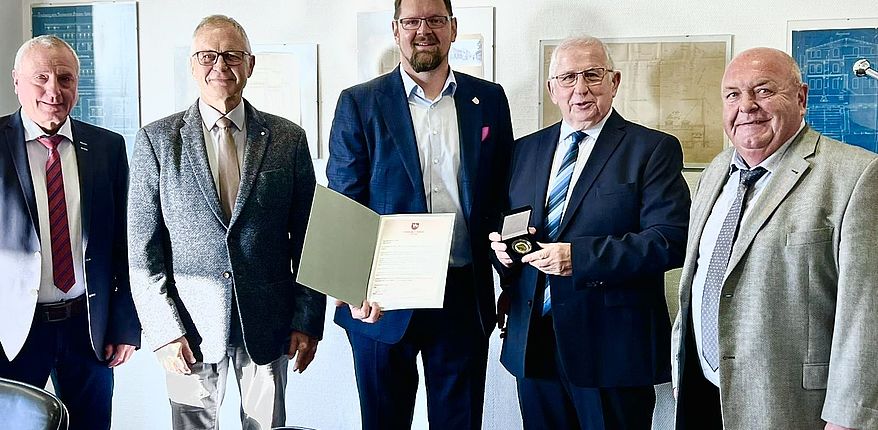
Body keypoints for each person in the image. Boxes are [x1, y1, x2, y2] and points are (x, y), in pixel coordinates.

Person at [128, 15, 325, 430]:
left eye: (232, 55)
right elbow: (142, 251)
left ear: (250, 65)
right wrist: (164, 331)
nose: (220, 65)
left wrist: (308, 320)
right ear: (192, 65)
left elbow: (310, 240)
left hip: (268, 325)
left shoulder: (288, 139)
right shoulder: (156, 141)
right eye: (207, 55)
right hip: (188, 330)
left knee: (267, 426)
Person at [326, 0, 514, 428]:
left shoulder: (488, 99)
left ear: (452, 28)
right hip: (381, 301)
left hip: (463, 295)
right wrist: (350, 287)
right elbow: (345, 200)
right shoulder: (360, 103)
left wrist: (512, 281)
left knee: (460, 422)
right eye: (411, 21)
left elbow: (503, 195)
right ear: (396, 30)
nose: (422, 30)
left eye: (434, 20)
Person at [489, 36, 690, 429]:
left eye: (592, 75)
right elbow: (510, 225)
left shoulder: (652, 149)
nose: (580, 89)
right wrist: (503, 255)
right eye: (567, 78)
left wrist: (578, 258)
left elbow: (671, 240)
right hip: (534, 344)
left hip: (611, 350)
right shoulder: (522, 151)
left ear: (614, 81)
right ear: (552, 90)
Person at [671, 47, 878, 430]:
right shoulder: (715, 171)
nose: (746, 106)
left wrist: (849, 417)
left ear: (800, 98)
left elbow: (867, 310)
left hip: (790, 403)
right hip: (703, 390)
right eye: (733, 94)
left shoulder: (856, 175)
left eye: (764, 91)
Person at [0, 35, 141, 430]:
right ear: (16, 81)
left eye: (65, 79)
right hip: (11, 331)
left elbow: (124, 245)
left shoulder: (108, 147)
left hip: (87, 328)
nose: (53, 91)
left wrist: (125, 324)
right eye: (40, 78)